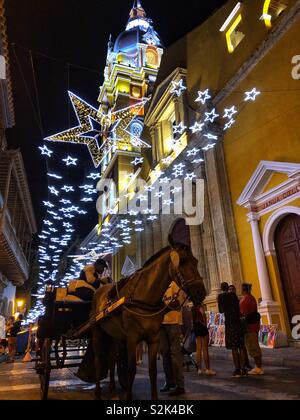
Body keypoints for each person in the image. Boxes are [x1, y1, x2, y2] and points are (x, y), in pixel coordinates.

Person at [160, 281, 185, 396]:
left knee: (175, 354)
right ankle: (169, 381)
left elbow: (178, 302)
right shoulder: (160, 285)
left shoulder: (174, 284)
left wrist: (164, 307)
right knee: (164, 354)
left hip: (173, 322)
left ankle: (180, 385)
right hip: (161, 323)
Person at [218, 283, 247, 378]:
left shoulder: (220, 297)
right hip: (237, 322)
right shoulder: (233, 295)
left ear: (221, 288)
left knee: (234, 347)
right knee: (241, 346)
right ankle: (243, 368)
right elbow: (237, 307)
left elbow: (221, 311)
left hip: (230, 323)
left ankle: (237, 369)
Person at [240, 283, 264, 376]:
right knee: (255, 345)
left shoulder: (245, 300)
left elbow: (243, 314)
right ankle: (258, 366)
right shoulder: (251, 297)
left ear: (243, 290)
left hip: (249, 326)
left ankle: (258, 367)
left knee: (253, 346)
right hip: (254, 324)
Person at [192, 304, 216, 377]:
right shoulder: (200, 306)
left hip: (195, 327)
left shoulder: (192, 308)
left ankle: (199, 369)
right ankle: (208, 369)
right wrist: (205, 324)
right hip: (202, 327)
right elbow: (203, 315)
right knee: (205, 349)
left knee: (198, 349)